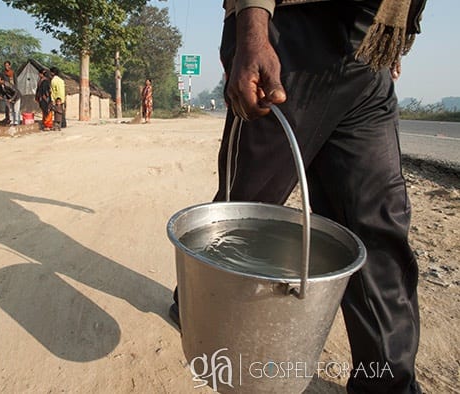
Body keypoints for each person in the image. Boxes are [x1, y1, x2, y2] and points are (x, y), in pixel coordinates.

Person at [170, 1, 427, 393]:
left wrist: (396, 32)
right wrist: (253, 35)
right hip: (289, 39)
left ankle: (389, 385)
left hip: (368, 53)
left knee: (380, 226)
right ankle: (196, 306)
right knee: (247, 213)